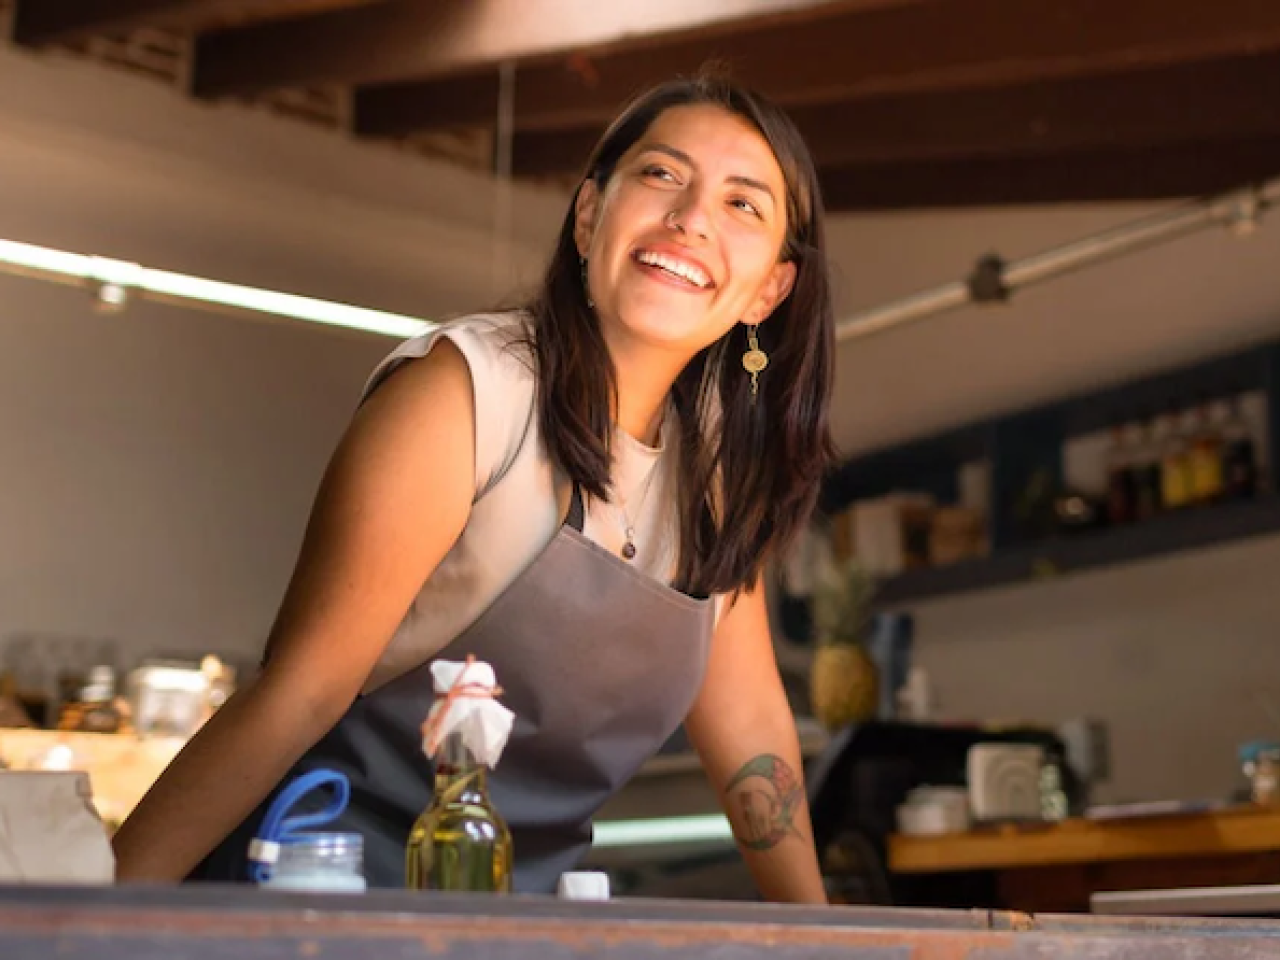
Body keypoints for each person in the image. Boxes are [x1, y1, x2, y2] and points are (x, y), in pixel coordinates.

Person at [111, 71, 836, 903]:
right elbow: (299, 693)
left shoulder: (713, 475)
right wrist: (95, 916)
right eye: (662, 174)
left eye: (743, 204)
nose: (692, 217)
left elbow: (748, 729)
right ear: (590, 214)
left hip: (507, 925)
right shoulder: (464, 393)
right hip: (313, 900)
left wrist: (817, 931)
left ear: (771, 290)